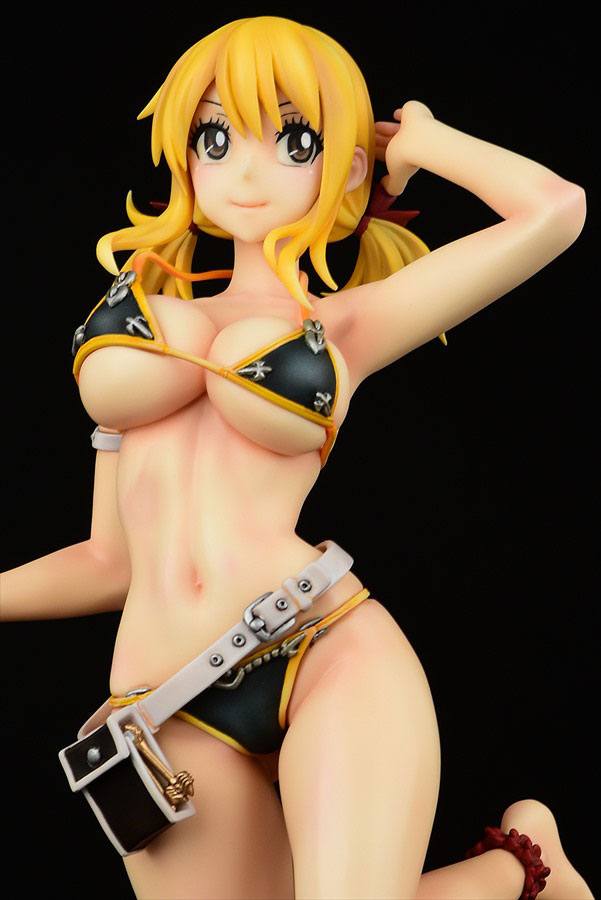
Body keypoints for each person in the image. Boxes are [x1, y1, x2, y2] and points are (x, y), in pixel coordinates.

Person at [1, 15, 592, 900]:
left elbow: (554, 210)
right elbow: (107, 561)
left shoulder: (346, 323)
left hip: (321, 644)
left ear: (345, 169)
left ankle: (518, 868)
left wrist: (421, 141)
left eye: (294, 141)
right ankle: (516, 871)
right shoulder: (131, 318)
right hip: (163, 705)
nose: (245, 171)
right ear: (186, 158)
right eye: (215, 138)